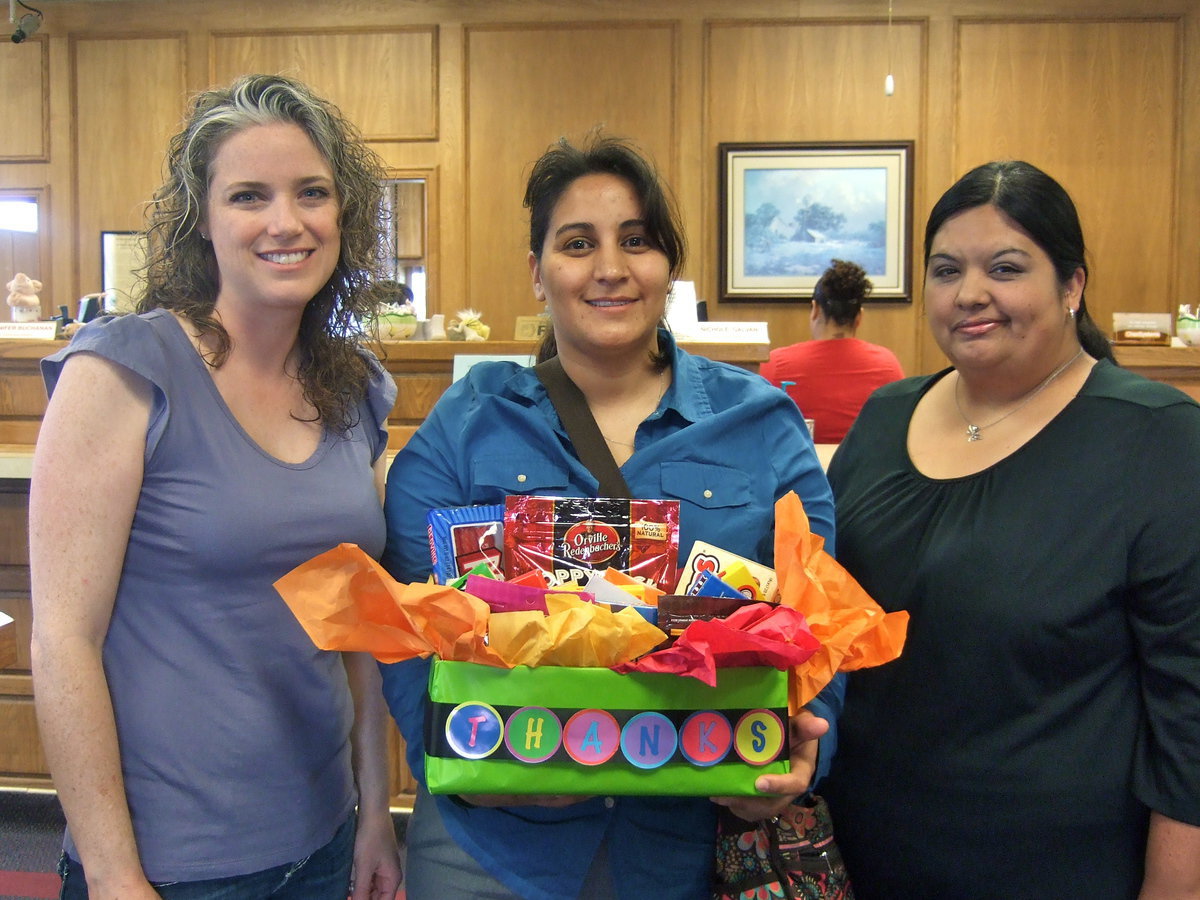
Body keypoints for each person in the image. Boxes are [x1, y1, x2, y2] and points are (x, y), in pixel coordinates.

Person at [379, 135, 841, 900]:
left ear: (668, 268)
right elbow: (401, 625)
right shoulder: (467, 423)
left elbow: (821, 611)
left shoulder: (761, 422)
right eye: (577, 243)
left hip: (688, 841)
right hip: (490, 848)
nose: (610, 268)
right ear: (537, 272)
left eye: (637, 240)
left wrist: (802, 753)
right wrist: (446, 752)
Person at [29, 74, 403, 900]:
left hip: (323, 836)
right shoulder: (125, 369)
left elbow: (363, 630)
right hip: (171, 863)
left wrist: (377, 809)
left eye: (312, 192)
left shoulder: (357, 389)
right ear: (203, 218)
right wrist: (116, 874)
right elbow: (61, 643)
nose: (285, 222)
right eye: (248, 195)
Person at [821, 160, 1200, 898]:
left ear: (1072, 286)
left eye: (1005, 267)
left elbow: (1192, 717)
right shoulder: (884, 417)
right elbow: (824, 622)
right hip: (855, 860)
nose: (969, 294)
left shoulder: (1159, 441)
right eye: (945, 269)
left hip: (1055, 870)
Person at [759, 259, 903, 444]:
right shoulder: (887, 365)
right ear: (859, 317)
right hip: (867, 471)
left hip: (800, 470)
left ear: (815, 310)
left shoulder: (776, 362)